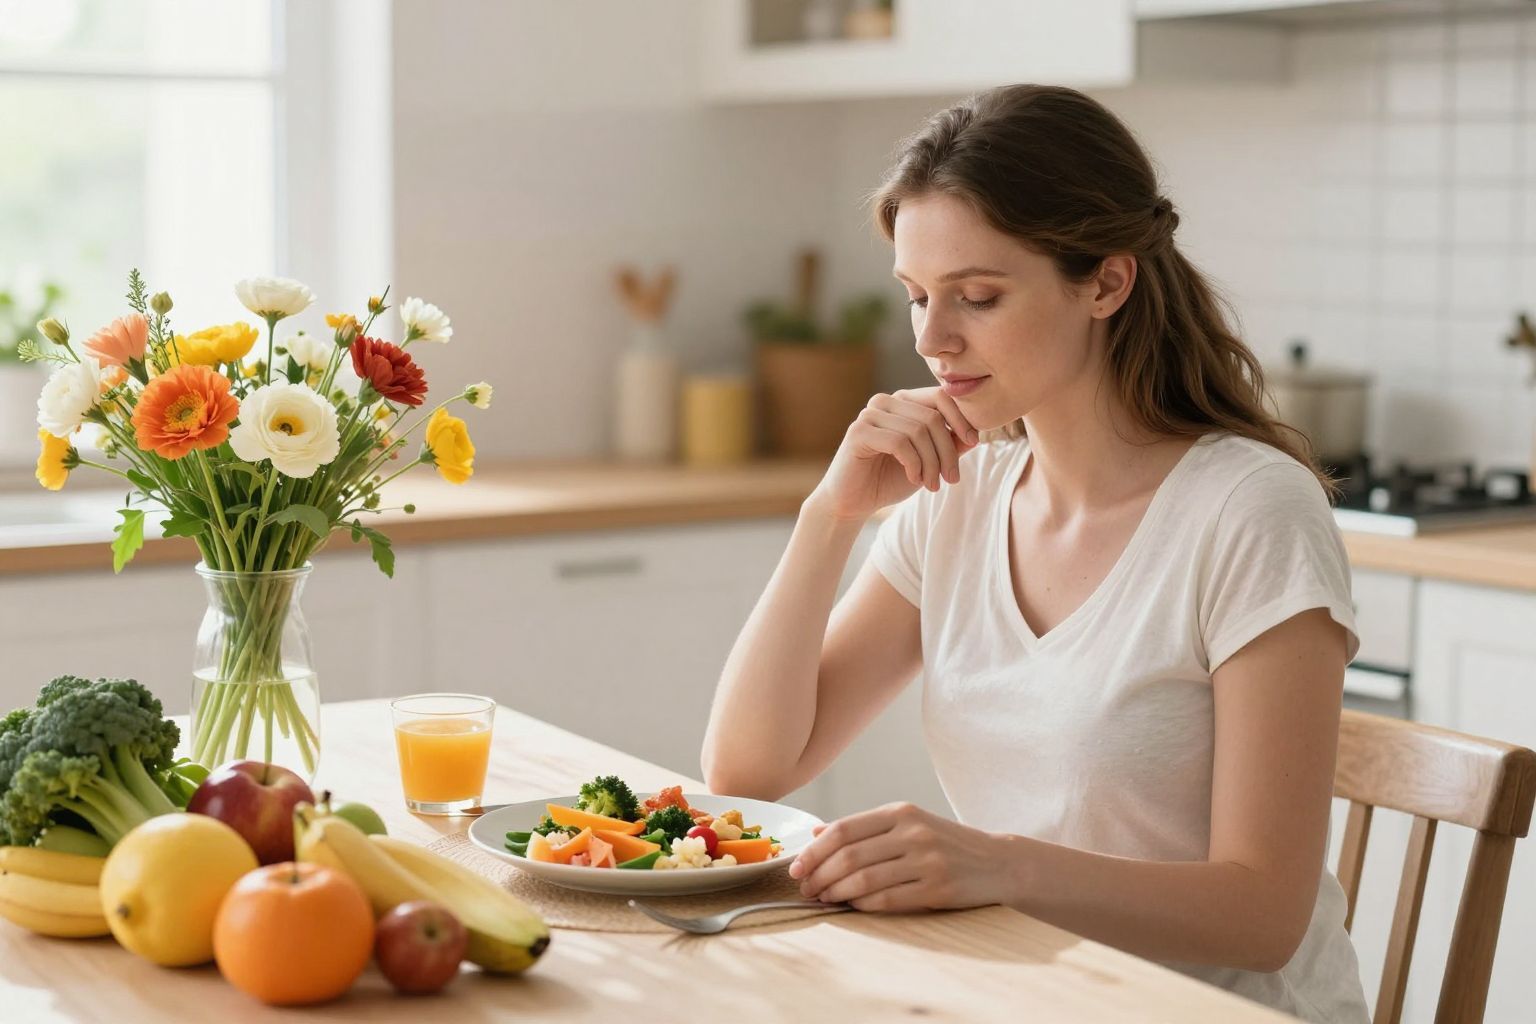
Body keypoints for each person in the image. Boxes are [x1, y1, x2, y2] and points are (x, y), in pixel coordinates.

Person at [701, 84, 1369, 1022]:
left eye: (977, 296)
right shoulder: (960, 496)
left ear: (1105, 282)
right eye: (917, 297)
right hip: (1025, 993)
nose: (933, 340)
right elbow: (748, 770)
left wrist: (996, 865)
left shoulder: (1249, 510)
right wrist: (829, 514)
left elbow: (1264, 915)